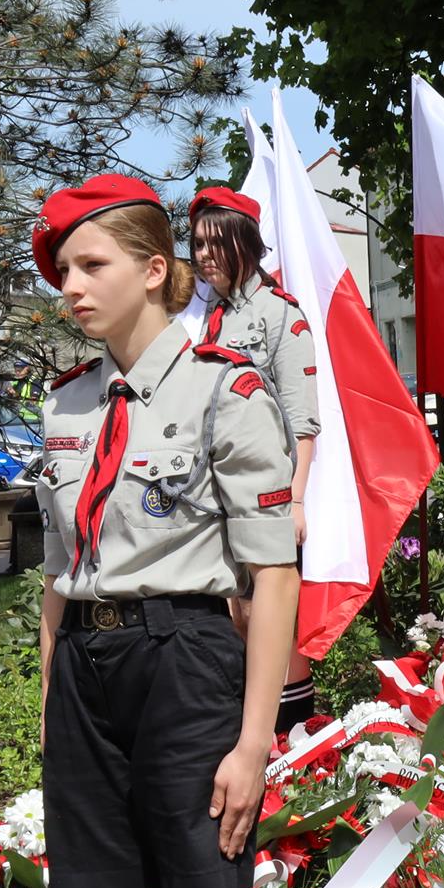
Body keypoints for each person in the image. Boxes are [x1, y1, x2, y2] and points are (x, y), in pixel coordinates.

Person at [28, 174, 299, 888]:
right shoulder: (67, 408)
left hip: (188, 668)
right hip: (89, 677)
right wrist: (52, 717)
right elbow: (53, 578)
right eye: (60, 271)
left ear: (152, 267)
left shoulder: (227, 389)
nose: (69, 288)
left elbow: (273, 575)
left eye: (91, 265)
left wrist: (253, 741)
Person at [184, 186, 320, 734]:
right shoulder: (203, 319)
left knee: (274, 622)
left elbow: (301, 420)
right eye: (197, 244)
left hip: (266, 495)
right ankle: (253, 742)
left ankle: (296, 748)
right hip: (214, 498)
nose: (204, 255)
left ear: (247, 244)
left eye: (217, 244)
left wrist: (296, 499)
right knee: (235, 617)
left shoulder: (280, 315)